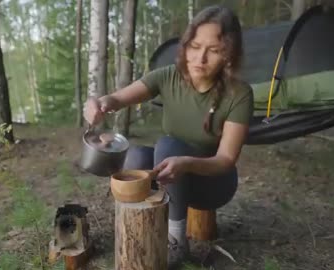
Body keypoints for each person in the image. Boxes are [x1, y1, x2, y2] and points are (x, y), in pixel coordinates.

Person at [83, 5, 253, 268]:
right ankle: (143, 232)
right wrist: (99, 103)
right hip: (176, 176)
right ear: (185, 45)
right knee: (135, 157)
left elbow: (226, 159)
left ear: (229, 55)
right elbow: (117, 98)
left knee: (167, 145)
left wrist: (186, 163)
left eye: (214, 50)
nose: (200, 58)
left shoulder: (239, 94)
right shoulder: (169, 76)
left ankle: (176, 240)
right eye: (194, 46)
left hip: (215, 183)